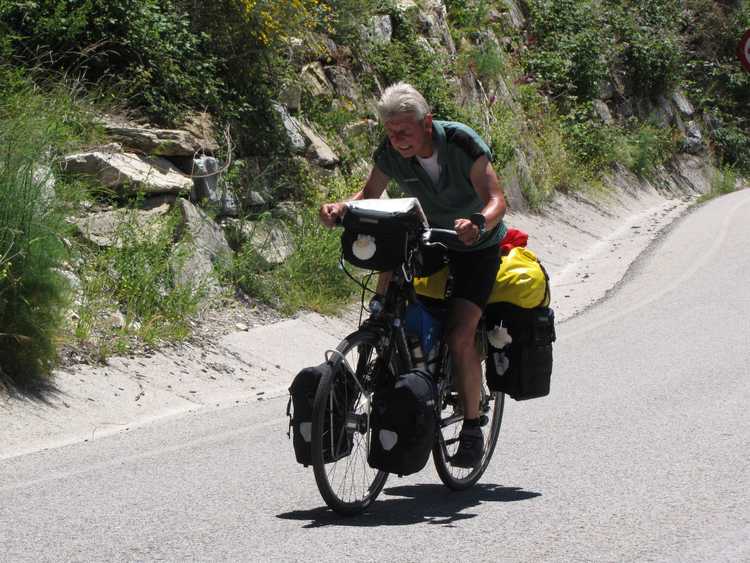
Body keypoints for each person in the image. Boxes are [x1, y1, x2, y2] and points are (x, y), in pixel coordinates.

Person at [319, 82, 507, 468]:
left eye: (404, 130)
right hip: (427, 238)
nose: (397, 139)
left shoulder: (461, 143)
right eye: (390, 131)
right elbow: (369, 194)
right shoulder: (390, 152)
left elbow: (496, 200)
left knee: (460, 334)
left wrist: (478, 222)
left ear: (427, 123)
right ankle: (382, 330)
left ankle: (471, 426)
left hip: (475, 245)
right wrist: (340, 208)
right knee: (389, 262)